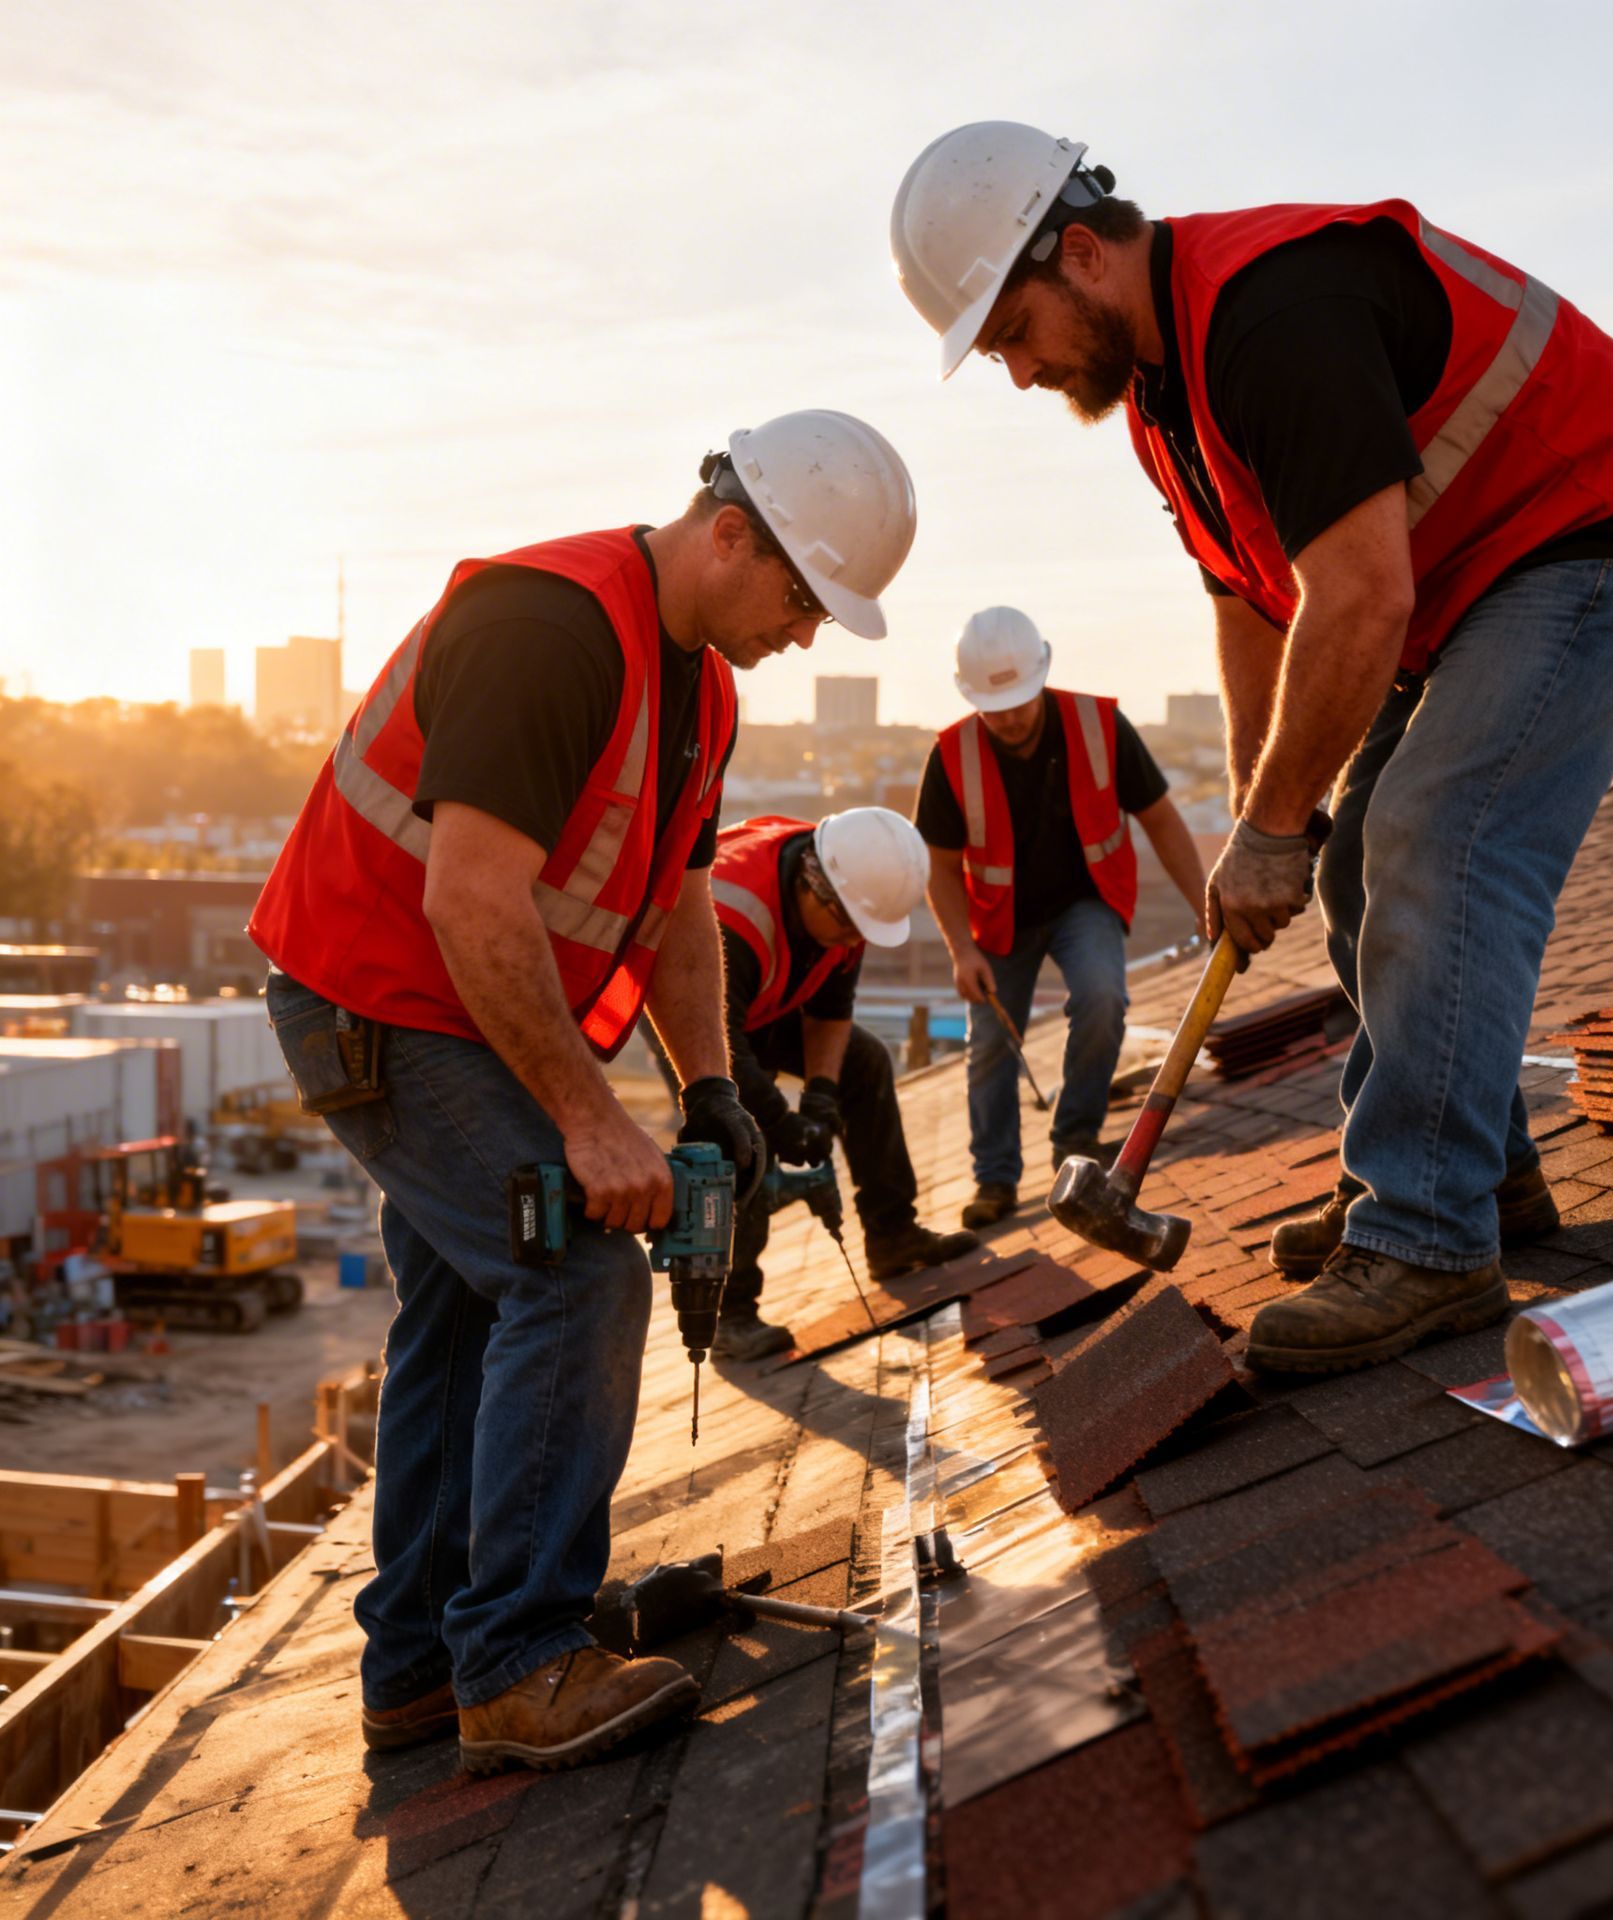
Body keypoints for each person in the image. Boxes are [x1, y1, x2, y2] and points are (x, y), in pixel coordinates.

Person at [894, 125, 1613, 1371]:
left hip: (1599, 538)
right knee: (1348, 870)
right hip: (1478, 586)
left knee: (1436, 839)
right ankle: (1473, 1174)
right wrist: (1259, 813)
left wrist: (1279, 824)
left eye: (1014, 334)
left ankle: (1430, 1241)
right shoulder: (1162, 399)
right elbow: (1248, 600)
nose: (1018, 374)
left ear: (1079, 255)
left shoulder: (1270, 312)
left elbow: (1359, 600)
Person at [249, 410, 917, 1774]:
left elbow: (677, 911)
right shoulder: (547, 627)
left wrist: (713, 1088)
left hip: (453, 1011)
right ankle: (522, 1657)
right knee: (576, 1266)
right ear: (731, 534)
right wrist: (588, 1116)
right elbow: (471, 894)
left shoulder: (705, 692)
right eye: (801, 598)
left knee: (458, 1313)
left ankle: (420, 1670)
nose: (804, 635)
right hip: (374, 1000)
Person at [916, 606, 1209, 1227]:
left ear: (1043, 675)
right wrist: (960, 951)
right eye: (994, 708)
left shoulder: (1100, 724)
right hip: (1000, 920)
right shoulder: (951, 755)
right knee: (992, 1043)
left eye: (1020, 701)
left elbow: (1160, 819)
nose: (1010, 717)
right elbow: (939, 868)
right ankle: (994, 1180)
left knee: (1103, 997)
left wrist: (1203, 904)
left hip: (1087, 899)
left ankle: (1075, 1145)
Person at [707, 807, 979, 1359]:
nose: (853, 940)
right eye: (849, 927)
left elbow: (831, 1011)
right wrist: (781, 1124)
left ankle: (892, 1233)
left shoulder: (851, 900)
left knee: (866, 1060)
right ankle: (729, 1314)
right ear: (813, 884)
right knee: (732, 1131)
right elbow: (722, 1049)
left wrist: (822, 1095)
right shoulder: (731, 914)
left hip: (759, 999)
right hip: (688, 1011)